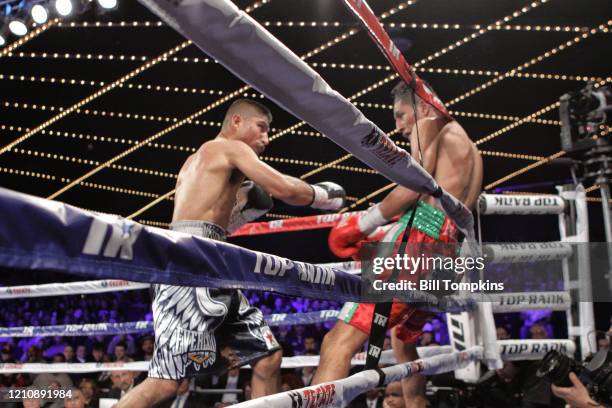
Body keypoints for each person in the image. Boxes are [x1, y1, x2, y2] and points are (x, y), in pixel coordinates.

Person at [117, 99, 345, 408]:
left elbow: (210, 218)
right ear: (236, 121)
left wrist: (246, 210)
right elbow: (284, 189)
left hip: (211, 257)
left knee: (266, 357)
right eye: (261, 128)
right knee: (166, 383)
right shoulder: (228, 148)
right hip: (189, 261)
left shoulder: (200, 160)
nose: (266, 138)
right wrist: (322, 197)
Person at [313, 81, 483, 408]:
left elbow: (411, 188)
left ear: (423, 106)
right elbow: (442, 215)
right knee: (403, 340)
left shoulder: (429, 124)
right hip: (451, 255)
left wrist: (363, 224)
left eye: (401, 114)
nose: (399, 125)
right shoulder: (468, 144)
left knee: (338, 341)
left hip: (420, 246)